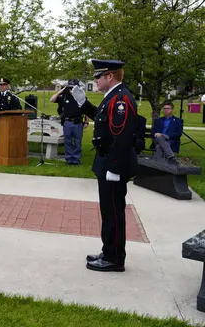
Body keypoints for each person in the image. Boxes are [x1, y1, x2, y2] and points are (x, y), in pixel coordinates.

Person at [71, 59, 138, 272]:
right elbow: (102, 120)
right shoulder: (112, 97)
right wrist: (83, 104)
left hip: (113, 164)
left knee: (114, 212)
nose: (95, 80)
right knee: (108, 211)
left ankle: (114, 258)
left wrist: (115, 168)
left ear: (110, 76)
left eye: (98, 76)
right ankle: (109, 250)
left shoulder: (121, 99)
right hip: (107, 161)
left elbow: (122, 136)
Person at [50, 79, 88, 165]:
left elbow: (86, 110)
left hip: (78, 122)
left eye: (74, 88)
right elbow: (52, 99)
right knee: (68, 141)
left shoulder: (81, 97)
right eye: (70, 88)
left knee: (77, 142)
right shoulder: (64, 97)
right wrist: (62, 90)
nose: (72, 90)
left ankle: (76, 160)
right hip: (67, 122)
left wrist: (86, 121)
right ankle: (69, 160)